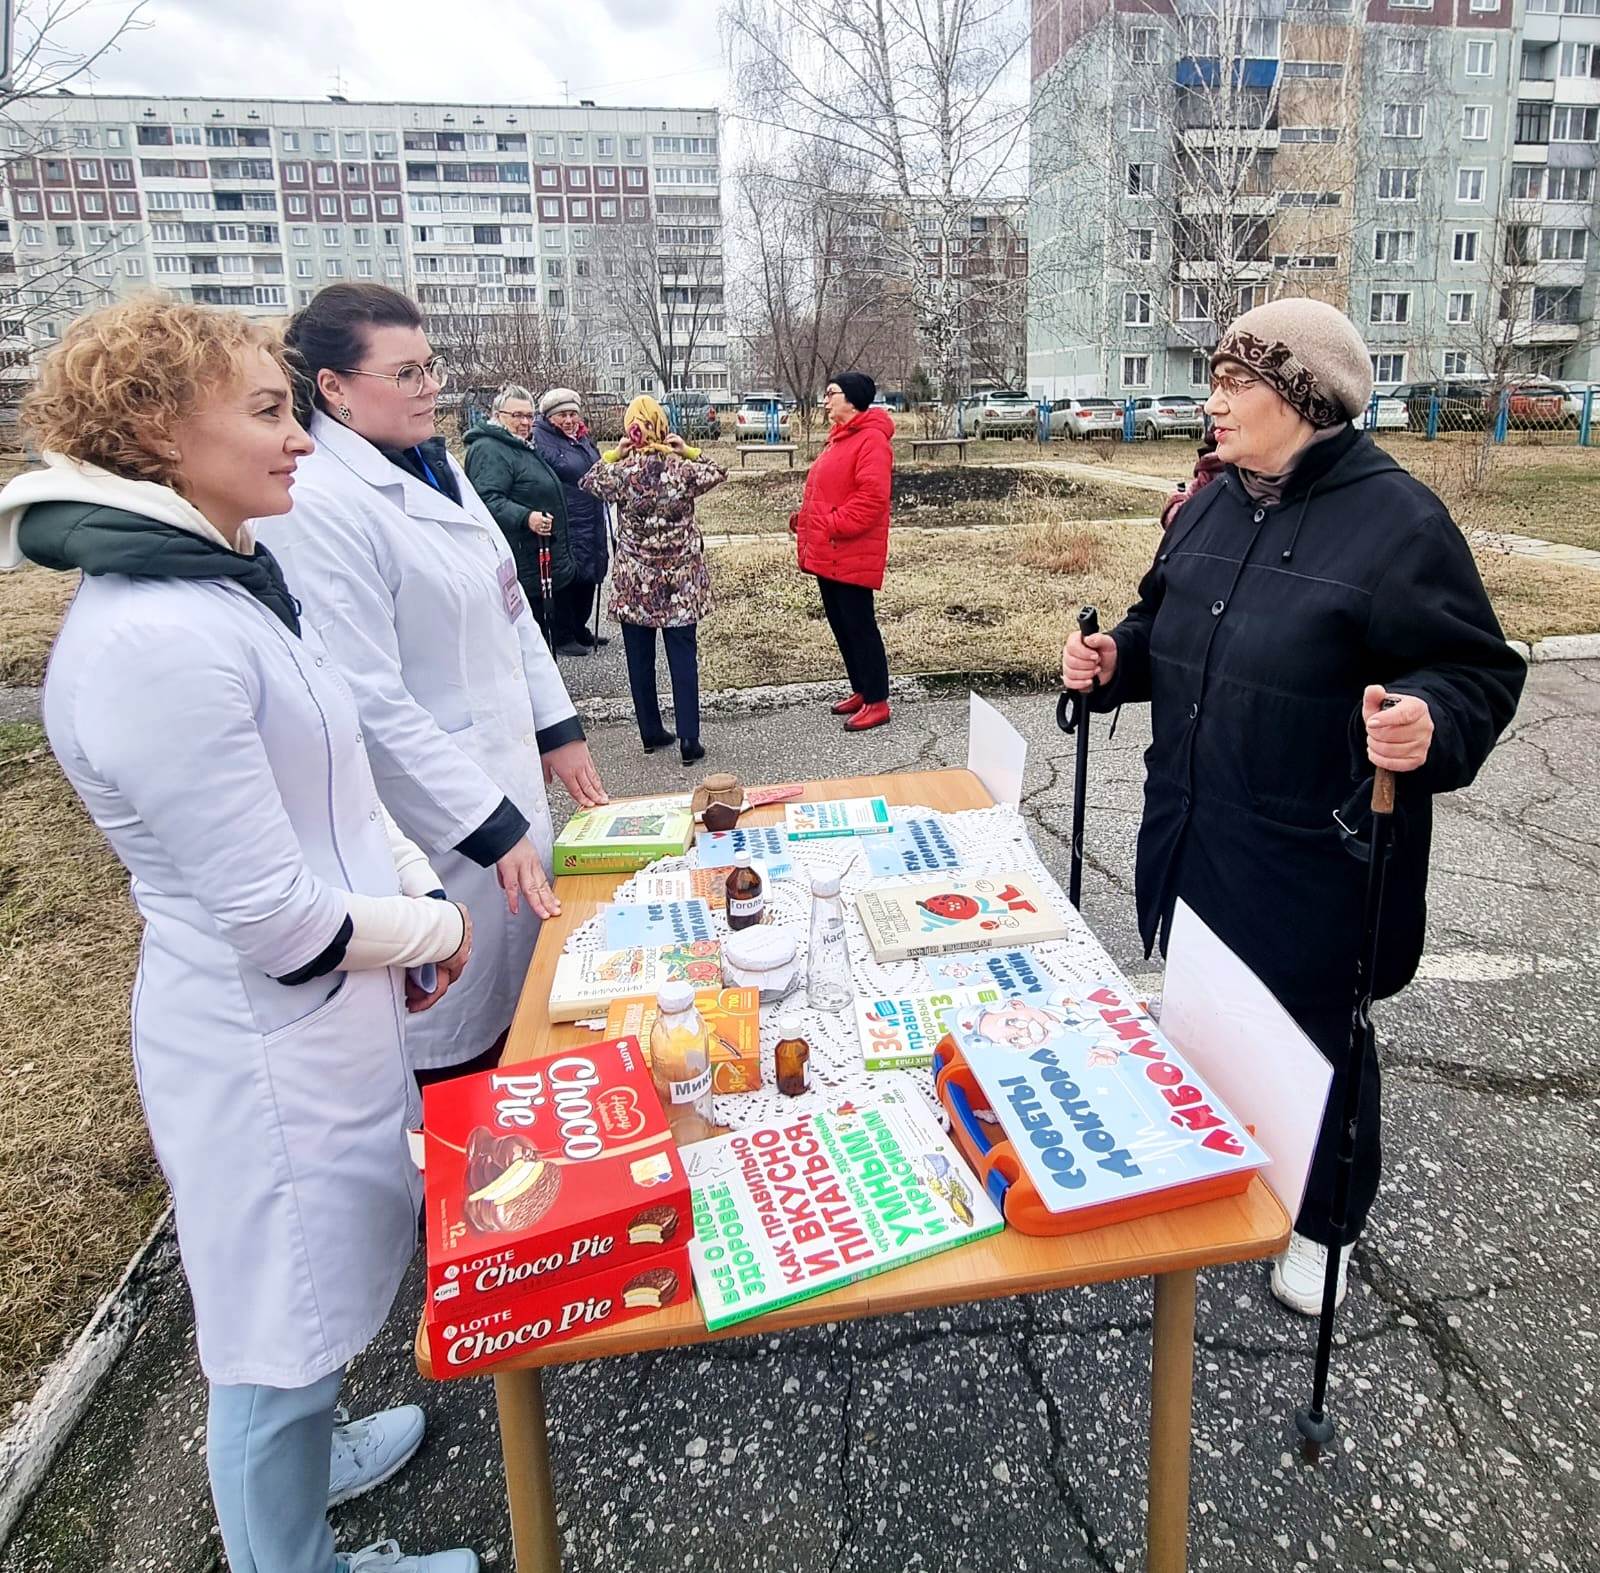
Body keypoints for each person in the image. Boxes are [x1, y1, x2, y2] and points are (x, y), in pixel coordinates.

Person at [0, 298, 478, 1573]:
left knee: (320, 1286)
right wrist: (429, 919)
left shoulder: (218, 585)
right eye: (268, 411)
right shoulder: (156, 639)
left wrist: (405, 881)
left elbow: (335, 783)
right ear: (157, 431)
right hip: (262, 1037)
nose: (300, 439)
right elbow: (273, 918)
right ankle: (293, 1556)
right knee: (277, 1327)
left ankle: (314, 1462)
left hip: (327, 1007)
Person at [1061, 299, 1525, 1315]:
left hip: (1313, 856)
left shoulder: (1397, 521)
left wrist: (1425, 721)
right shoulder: (1213, 501)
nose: (1212, 401)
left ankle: (1323, 1222)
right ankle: (1227, 1155)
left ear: (1305, 397)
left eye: (1237, 382)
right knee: (1209, 1018)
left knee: (1316, 1037)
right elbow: (1162, 619)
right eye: (1215, 379)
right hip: (1191, 825)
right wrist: (1113, 663)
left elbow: (1471, 671)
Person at [255, 283, 608, 1085]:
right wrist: (486, 820)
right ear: (335, 389)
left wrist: (557, 728)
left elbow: (508, 603)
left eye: (431, 366)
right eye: (405, 373)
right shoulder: (319, 503)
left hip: (501, 776)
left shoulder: (436, 463)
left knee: (526, 999)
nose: (431, 388)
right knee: (454, 1022)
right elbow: (366, 700)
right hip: (430, 811)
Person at [580, 394, 726, 765]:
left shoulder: (622, 473)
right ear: (662, 425)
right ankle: (690, 739)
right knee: (683, 658)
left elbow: (589, 480)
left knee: (639, 659)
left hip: (635, 583)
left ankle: (650, 732)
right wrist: (688, 450)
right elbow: (717, 471)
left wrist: (615, 453)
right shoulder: (682, 469)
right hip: (681, 582)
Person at [789, 371, 894, 731]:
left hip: (851, 549)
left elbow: (872, 500)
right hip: (830, 551)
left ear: (852, 398)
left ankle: (878, 699)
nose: (825, 399)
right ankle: (862, 689)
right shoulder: (839, 439)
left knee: (859, 624)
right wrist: (805, 520)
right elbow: (830, 491)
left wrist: (830, 523)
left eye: (831, 393)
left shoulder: (872, 441)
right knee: (841, 622)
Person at [462, 383, 576, 645]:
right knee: (526, 636)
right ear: (497, 415)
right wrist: (527, 517)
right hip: (519, 557)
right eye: (517, 416)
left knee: (540, 635)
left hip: (537, 557)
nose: (525, 422)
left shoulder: (519, 445)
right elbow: (486, 499)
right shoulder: (490, 449)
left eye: (529, 416)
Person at [532, 386, 609, 655]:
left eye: (572, 414)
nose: (568, 420)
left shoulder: (582, 438)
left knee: (589, 572)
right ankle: (562, 634)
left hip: (590, 516)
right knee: (567, 577)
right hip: (566, 518)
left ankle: (579, 628)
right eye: (562, 415)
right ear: (550, 417)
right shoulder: (540, 440)